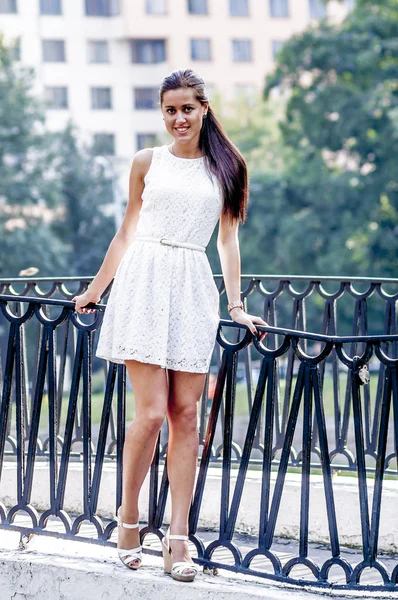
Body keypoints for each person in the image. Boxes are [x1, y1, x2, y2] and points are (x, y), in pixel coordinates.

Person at [72, 68, 267, 583]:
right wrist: (95, 291)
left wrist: (236, 304)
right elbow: (126, 232)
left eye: (187, 108)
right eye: (170, 109)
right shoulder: (145, 162)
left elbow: (228, 242)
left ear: (204, 108)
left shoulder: (227, 167)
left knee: (187, 415)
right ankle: (128, 521)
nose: (178, 118)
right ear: (163, 113)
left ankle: (178, 538)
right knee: (152, 413)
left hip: (192, 288)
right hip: (142, 284)